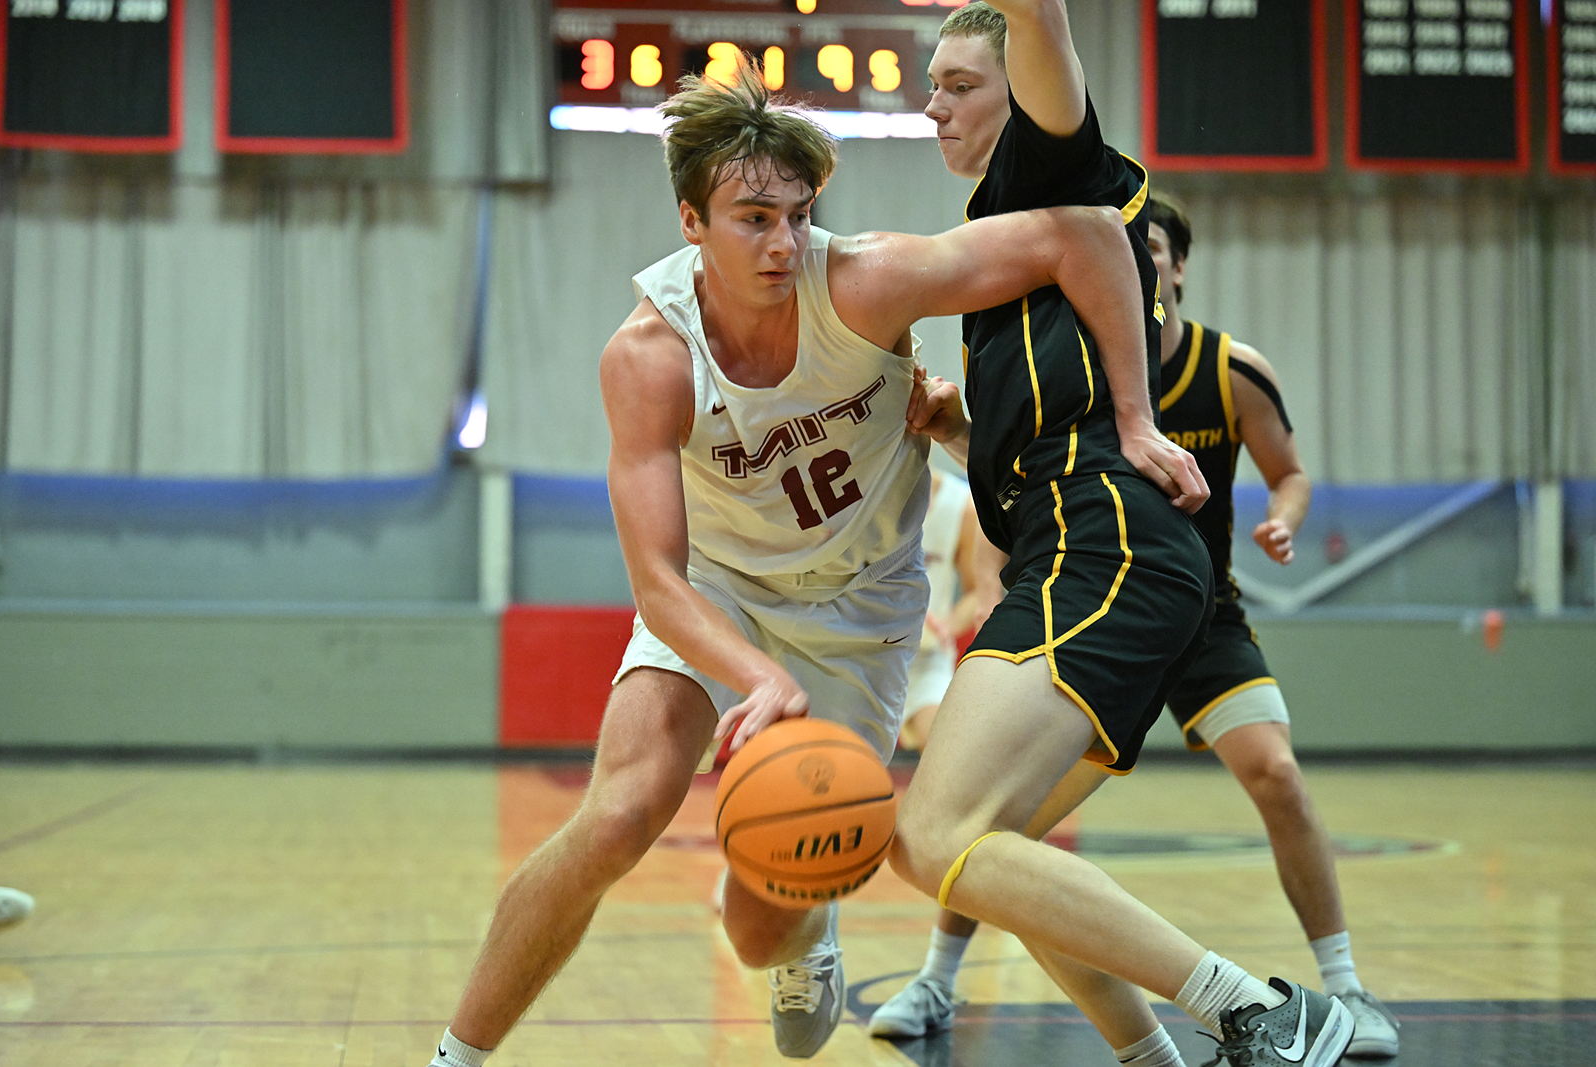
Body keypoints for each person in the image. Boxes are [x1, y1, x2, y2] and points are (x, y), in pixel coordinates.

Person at [424, 56, 1194, 1066]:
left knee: (755, 929)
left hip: (858, 608)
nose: (784, 242)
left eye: (796, 214)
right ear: (691, 222)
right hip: (721, 596)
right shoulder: (650, 355)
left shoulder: (863, 281)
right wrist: (756, 673)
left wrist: (1135, 419)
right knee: (616, 815)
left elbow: (1083, 233)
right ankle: (455, 1055)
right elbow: (658, 580)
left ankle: (808, 931)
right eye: (753, 219)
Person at [883, 5, 1357, 1067]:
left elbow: (1040, 19)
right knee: (983, 850)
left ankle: (1264, 1010)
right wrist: (958, 427)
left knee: (935, 833)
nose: (935, 104)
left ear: (1024, 95)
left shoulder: (1052, 166)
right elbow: (1053, 431)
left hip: (1103, 543)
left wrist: (1138, 420)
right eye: (933, 84)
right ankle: (1155, 1056)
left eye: (961, 83)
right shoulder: (1004, 236)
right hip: (1082, 543)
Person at [897, 468, 1005, 751]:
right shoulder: (861, 496)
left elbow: (977, 592)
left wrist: (946, 625)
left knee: (948, 748)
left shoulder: (961, 504)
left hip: (925, 656)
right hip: (862, 647)